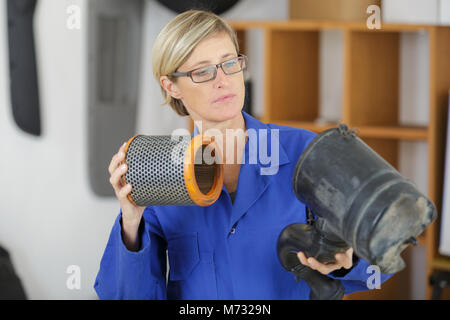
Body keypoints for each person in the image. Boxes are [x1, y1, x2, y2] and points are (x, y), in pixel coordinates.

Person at [94, 10, 392, 299]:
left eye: (229, 63)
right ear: (171, 86)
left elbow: (383, 259)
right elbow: (125, 295)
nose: (222, 80)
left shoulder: (305, 151)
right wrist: (130, 221)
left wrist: (349, 260)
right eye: (202, 71)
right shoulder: (163, 174)